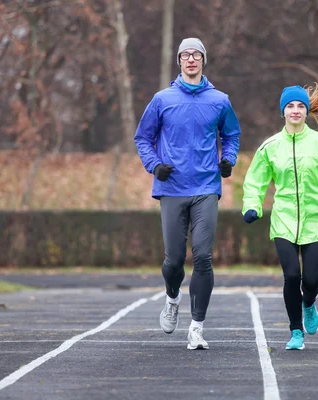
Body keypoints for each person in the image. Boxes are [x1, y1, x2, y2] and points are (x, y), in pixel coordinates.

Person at [134, 38, 241, 350]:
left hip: (206, 187)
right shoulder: (162, 99)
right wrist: (154, 166)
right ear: (178, 61)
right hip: (171, 188)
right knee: (174, 261)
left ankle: (197, 327)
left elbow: (232, 134)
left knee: (204, 257)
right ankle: (172, 297)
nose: (191, 59)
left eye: (196, 54)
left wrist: (228, 160)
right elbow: (143, 137)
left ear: (203, 60)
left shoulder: (220, 100)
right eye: (186, 55)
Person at [242, 83, 318, 350]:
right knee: (291, 276)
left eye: (301, 105)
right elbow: (255, 180)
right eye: (290, 105)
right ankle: (296, 332)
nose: (295, 110)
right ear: (283, 111)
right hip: (284, 221)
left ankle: (309, 303)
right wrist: (251, 205)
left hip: (316, 220)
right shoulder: (270, 146)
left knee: (310, 281)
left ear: (307, 110)